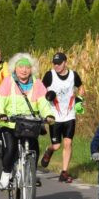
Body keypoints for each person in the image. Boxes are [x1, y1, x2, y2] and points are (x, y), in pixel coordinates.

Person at [0, 53, 53, 190]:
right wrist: (0, 115)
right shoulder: (8, 82)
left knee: (35, 149)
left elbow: (43, 103)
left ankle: (30, 172)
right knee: (11, 149)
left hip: (30, 123)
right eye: (21, 67)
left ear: (32, 69)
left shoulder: (37, 83)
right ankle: (6, 174)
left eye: (27, 67)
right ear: (15, 68)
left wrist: (48, 115)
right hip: (10, 123)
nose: (24, 70)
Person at [40, 52, 85, 183]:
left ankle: (64, 172)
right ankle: (49, 151)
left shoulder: (73, 75)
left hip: (69, 114)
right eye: (55, 63)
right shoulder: (50, 75)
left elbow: (81, 87)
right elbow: (40, 90)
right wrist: (47, 95)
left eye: (59, 63)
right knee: (56, 145)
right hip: (54, 115)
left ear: (65, 62)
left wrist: (79, 99)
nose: (57, 66)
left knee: (68, 142)